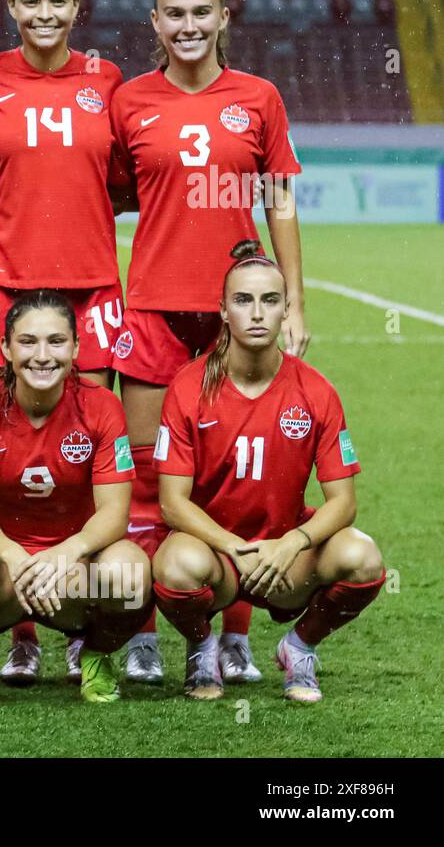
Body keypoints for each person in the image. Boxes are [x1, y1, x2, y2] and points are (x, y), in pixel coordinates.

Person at [108, 0, 307, 683]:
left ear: (223, 18)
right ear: (154, 23)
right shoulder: (128, 102)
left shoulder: (258, 97)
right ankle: (142, 633)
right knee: (142, 474)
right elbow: (106, 193)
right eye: (174, 14)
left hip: (237, 311)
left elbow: (280, 202)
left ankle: (232, 636)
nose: (187, 26)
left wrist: (295, 305)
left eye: (201, 13)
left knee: (230, 480)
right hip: (153, 308)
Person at [0, 0, 130, 687]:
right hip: (6, 284)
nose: (43, 13)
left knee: (78, 456)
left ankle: (78, 624)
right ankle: (18, 632)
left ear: (76, 6)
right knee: (2, 454)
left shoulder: (108, 82)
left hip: (91, 288)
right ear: (10, 7)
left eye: (57, 0)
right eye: (30, 0)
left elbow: (124, 177)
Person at [152, 245, 382, 702]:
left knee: (364, 558)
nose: (257, 313)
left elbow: (344, 502)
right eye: (242, 300)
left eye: (270, 300)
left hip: (286, 558)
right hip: (216, 555)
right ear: (222, 311)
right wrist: (234, 548)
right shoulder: (187, 388)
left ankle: (299, 648)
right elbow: (171, 502)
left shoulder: (317, 391)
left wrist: (291, 543)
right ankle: (202, 647)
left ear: (286, 310)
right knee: (174, 567)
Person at [0, 290, 149, 703]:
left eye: (56, 341)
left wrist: (63, 554)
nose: (42, 355)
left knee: (130, 574)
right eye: (28, 342)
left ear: (76, 347)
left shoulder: (102, 406)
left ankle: (95, 655)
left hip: (71, 573)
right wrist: (16, 558)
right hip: (0, 570)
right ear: (5, 348)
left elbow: (115, 514)